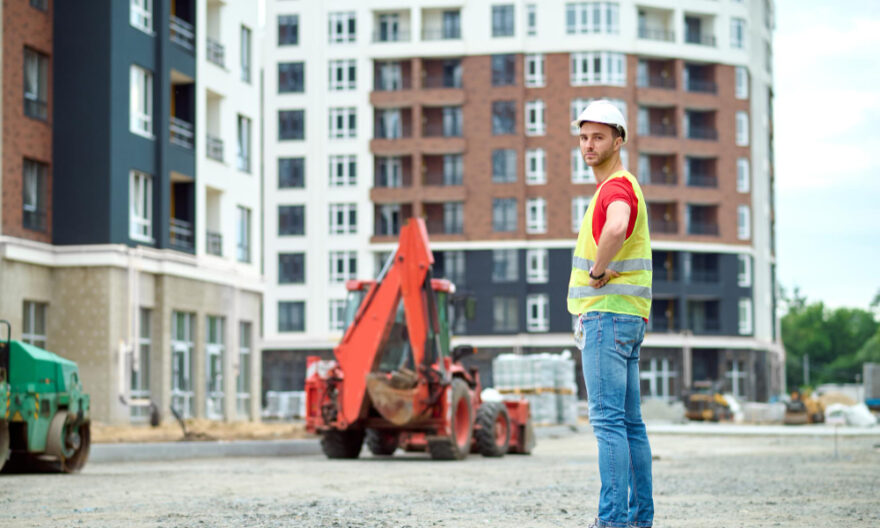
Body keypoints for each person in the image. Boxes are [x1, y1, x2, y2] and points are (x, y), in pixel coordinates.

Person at [567, 100, 654, 528]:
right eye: (584, 137)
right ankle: (637, 520)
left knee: (608, 425)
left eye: (598, 137)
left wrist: (598, 270)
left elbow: (617, 226)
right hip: (629, 318)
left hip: (606, 317)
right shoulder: (624, 185)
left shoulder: (615, 189)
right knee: (630, 425)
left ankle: (613, 522)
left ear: (619, 141)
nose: (589, 145)